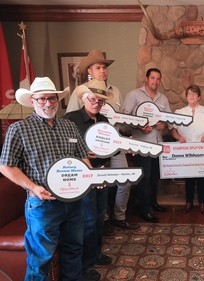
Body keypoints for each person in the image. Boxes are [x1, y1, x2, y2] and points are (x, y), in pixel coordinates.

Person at [0, 77, 90, 280]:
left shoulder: (69, 126)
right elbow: (6, 166)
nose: (48, 103)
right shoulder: (19, 129)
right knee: (40, 258)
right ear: (32, 100)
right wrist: (32, 187)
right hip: (42, 205)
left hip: (74, 201)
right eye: (42, 99)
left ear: (57, 100)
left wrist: (91, 177)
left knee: (74, 250)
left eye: (52, 98)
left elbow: (82, 158)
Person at [66, 50, 139, 232]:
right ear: (89, 71)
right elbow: (72, 122)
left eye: (105, 67)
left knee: (125, 180)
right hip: (90, 150)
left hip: (114, 144)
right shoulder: (80, 92)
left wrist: (126, 137)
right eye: (98, 67)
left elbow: (119, 121)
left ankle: (119, 216)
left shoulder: (115, 91)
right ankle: (103, 221)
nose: (103, 71)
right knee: (99, 183)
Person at [63, 79, 114, 281]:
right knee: (88, 220)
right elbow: (64, 150)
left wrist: (105, 155)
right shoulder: (70, 119)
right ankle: (85, 266)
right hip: (82, 178)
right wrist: (85, 154)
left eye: (100, 101)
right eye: (93, 99)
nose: (97, 104)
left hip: (102, 175)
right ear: (84, 98)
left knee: (100, 216)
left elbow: (112, 147)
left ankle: (96, 254)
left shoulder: (104, 120)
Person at [123, 68, 170, 223]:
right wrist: (139, 126)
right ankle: (144, 210)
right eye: (152, 78)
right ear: (146, 78)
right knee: (145, 178)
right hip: (142, 145)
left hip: (158, 144)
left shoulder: (163, 98)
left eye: (158, 79)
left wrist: (164, 123)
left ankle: (152, 203)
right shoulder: (133, 95)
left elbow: (167, 117)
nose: (155, 81)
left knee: (155, 177)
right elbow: (124, 118)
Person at [170, 85, 204, 215]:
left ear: (199, 97)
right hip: (186, 151)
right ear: (186, 97)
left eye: (194, 94)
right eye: (189, 94)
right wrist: (178, 137)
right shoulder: (179, 112)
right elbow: (173, 130)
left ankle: (202, 203)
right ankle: (189, 202)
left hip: (203, 150)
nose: (192, 96)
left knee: (202, 177)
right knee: (189, 177)